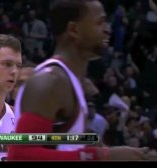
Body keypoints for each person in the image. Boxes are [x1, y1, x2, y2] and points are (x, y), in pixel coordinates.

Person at [8, 0, 153, 161]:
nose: (107, 29)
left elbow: (61, 145)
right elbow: (21, 155)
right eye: (100, 22)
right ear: (74, 30)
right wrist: (103, 156)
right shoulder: (51, 82)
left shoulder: (69, 80)